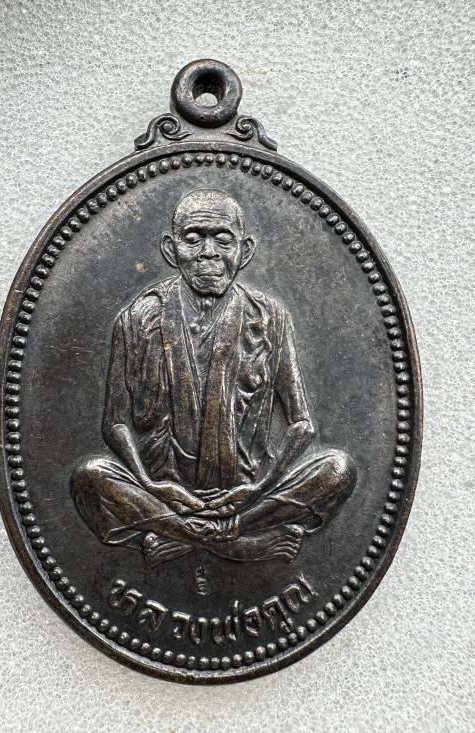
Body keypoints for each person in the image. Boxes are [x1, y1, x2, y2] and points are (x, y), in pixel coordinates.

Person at [72, 189, 356, 567]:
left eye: (223, 239)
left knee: (337, 469)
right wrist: (149, 484)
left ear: (245, 250)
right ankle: (238, 542)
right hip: (164, 494)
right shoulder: (137, 318)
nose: (208, 252)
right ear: (171, 250)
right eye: (193, 238)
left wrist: (258, 488)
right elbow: (114, 423)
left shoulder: (270, 316)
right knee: (89, 477)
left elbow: (302, 424)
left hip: (247, 494)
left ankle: (183, 536)